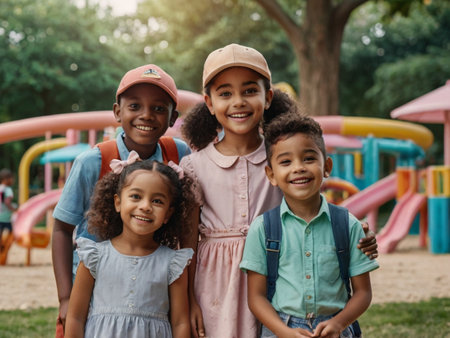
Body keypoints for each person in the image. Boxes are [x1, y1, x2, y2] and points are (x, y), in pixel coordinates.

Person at [179, 43, 378, 338]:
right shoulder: (194, 165)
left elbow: (310, 211)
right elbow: (188, 241)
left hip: (280, 279)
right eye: (225, 93)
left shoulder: (283, 158)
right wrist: (189, 300)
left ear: (267, 97)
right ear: (208, 103)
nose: (238, 102)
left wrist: (355, 235)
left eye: (249, 91)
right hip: (214, 284)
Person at [52, 64, 191, 335]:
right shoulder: (93, 161)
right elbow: (61, 228)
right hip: (95, 300)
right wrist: (65, 297)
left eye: (159, 108)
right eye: (135, 106)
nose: (146, 115)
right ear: (117, 112)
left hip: (154, 296)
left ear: (174, 117)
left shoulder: (179, 155)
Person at [240, 112, 379, 337]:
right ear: (271, 174)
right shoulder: (263, 229)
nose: (298, 168)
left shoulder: (348, 225)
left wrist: (339, 323)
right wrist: (283, 332)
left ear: (326, 166)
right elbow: (256, 297)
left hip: (336, 328)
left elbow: (363, 293)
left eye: (309, 158)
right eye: (286, 161)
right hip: (280, 329)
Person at [65, 159, 194, 337]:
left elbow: (180, 322)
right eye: (136, 196)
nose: (145, 207)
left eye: (157, 201)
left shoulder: (173, 263)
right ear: (118, 202)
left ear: (168, 214)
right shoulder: (94, 256)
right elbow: (75, 318)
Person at [0, 168, 17, 255]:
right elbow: (7, 202)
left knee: (1, 231)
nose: (12, 180)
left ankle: (1, 245)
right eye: (11, 178)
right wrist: (14, 209)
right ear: (6, 179)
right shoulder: (8, 190)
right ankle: (4, 247)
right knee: (12, 231)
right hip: (5, 217)